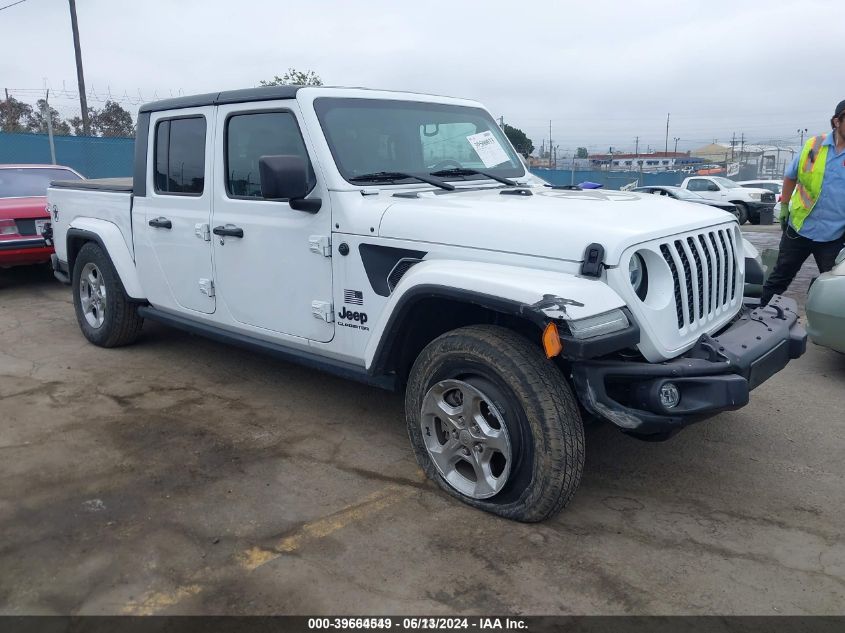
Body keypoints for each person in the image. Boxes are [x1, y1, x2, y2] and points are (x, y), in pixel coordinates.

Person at [760, 99, 845, 306]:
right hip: (799, 228)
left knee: (834, 286)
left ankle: (819, 320)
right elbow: (791, 176)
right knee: (779, 277)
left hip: (834, 235)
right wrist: (784, 206)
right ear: (837, 121)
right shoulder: (813, 146)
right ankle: (760, 315)